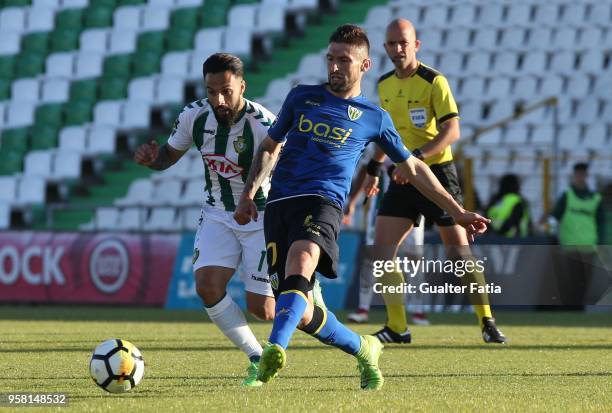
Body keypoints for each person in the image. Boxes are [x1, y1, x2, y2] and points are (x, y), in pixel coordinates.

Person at [234, 24, 490, 390]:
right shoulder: (301, 97)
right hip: (279, 205)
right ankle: (363, 347)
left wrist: (458, 210)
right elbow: (270, 147)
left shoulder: (373, 116)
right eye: (330, 59)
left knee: (302, 261)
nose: (335, 67)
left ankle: (272, 351)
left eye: (344, 60)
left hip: (324, 202)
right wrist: (248, 194)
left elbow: (414, 167)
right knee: (303, 312)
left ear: (365, 64)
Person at [134, 53, 277, 387]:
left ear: (242, 85)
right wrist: (153, 160)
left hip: (261, 215)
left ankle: (305, 288)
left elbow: (272, 160)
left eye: (226, 91)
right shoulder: (194, 116)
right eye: (212, 91)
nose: (219, 100)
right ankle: (257, 357)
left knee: (263, 310)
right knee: (207, 286)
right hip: (217, 212)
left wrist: (248, 197)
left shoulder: (263, 123)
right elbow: (169, 155)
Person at [364, 19, 506, 344]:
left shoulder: (433, 81)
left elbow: (452, 131)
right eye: (391, 44)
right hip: (401, 177)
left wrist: (417, 159)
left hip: (436, 174)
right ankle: (398, 327)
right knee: (382, 252)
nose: (397, 49)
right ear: (384, 48)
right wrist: (374, 166)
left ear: (416, 44)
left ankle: (487, 320)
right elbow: (388, 136)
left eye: (403, 42)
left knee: (459, 255)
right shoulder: (384, 85)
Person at [551, 162, 604, 246]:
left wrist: (601, 244)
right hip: (568, 246)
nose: (580, 177)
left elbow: (601, 223)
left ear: (586, 175)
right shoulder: (566, 197)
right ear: (574, 176)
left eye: (582, 174)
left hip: (589, 246)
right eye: (578, 174)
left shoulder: (596, 198)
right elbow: (555, 218)